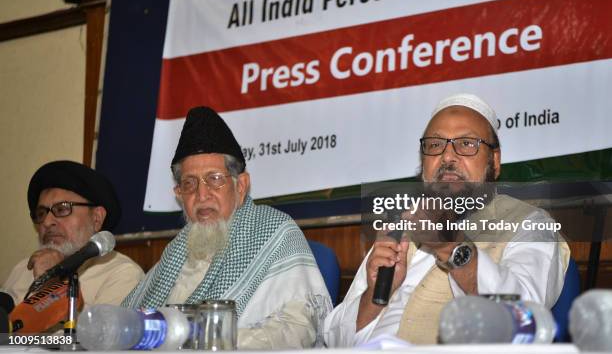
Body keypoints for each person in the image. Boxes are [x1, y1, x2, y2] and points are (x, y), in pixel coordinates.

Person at [324, 93, 570, 346]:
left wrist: (451, 247)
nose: (448, 157)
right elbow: (333, 340)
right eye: (434, 145)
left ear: (494, 161)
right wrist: (374, 297)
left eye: (466, 144)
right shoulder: (400, 226)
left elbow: (522, 321)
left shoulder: (529, 223)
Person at [122, 106, 331, 349]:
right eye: (189, 183)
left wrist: (209, 342)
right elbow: (133, 321)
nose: (202, 194)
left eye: (215, 179)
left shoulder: (276, 232)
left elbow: (298, 328)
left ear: (240, 186)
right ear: (179, 194)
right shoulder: (176, 251)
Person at [1, 160, 144, 307]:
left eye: (62, 209)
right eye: (41, 213)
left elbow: (94, 330)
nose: (47, 221)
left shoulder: (122, 273)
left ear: (96, 218)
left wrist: (56, 282)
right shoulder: (22, 269)